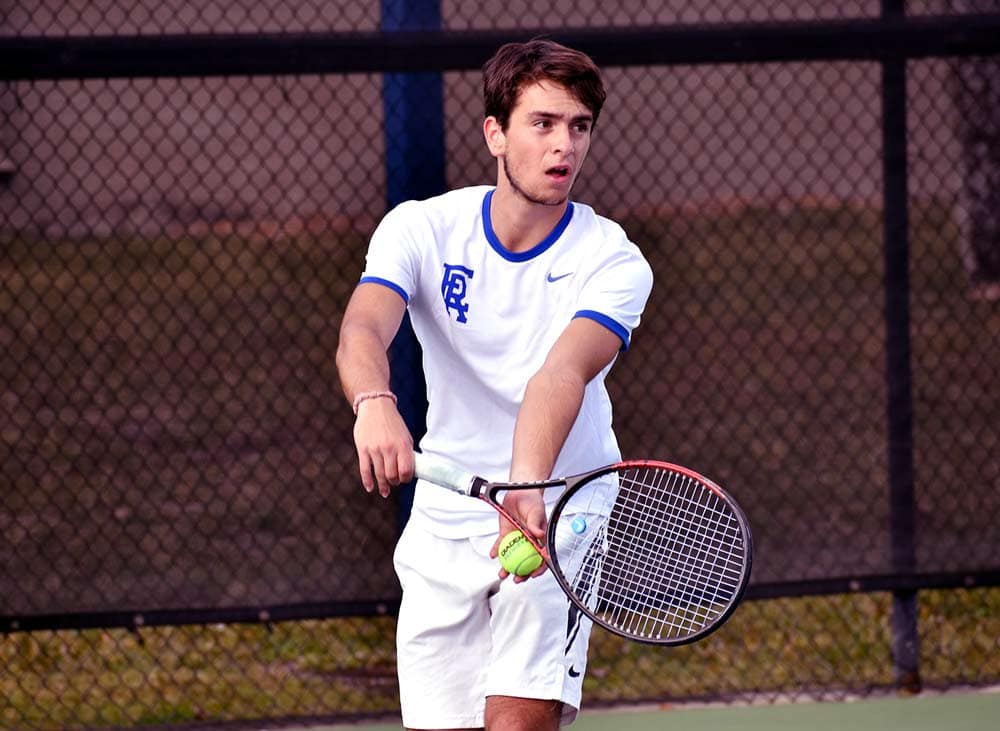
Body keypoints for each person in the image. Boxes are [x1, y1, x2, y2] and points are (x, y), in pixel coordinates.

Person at [336, 38, 653, 730]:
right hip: (447, 510)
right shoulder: (421, 229)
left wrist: (527, 486)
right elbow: (362, 328)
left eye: (579, 126)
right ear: (495, 134)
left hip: (560, 504)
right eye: (542, 123)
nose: (563, 145)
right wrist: (375, 403)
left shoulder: (613, 260)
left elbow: (560, 373)